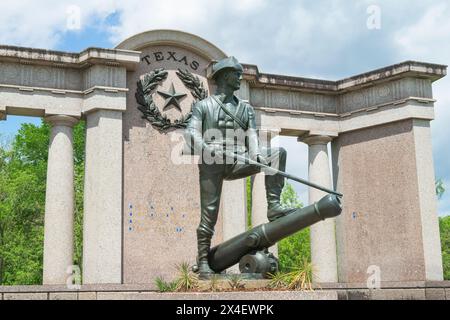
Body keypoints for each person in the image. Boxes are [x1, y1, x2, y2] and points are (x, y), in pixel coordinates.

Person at [185, 56, 296, 275]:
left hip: (239, 159)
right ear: (225, 76)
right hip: (213, 162)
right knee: (209, 213)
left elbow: (252, 135)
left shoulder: (246, 109)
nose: (239, 78)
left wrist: (255, 154)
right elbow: (190, 133)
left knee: (276, 154)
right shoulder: (204, 106)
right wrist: (207, 148)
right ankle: (204, 261)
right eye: (236, 74)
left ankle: (273, 206)